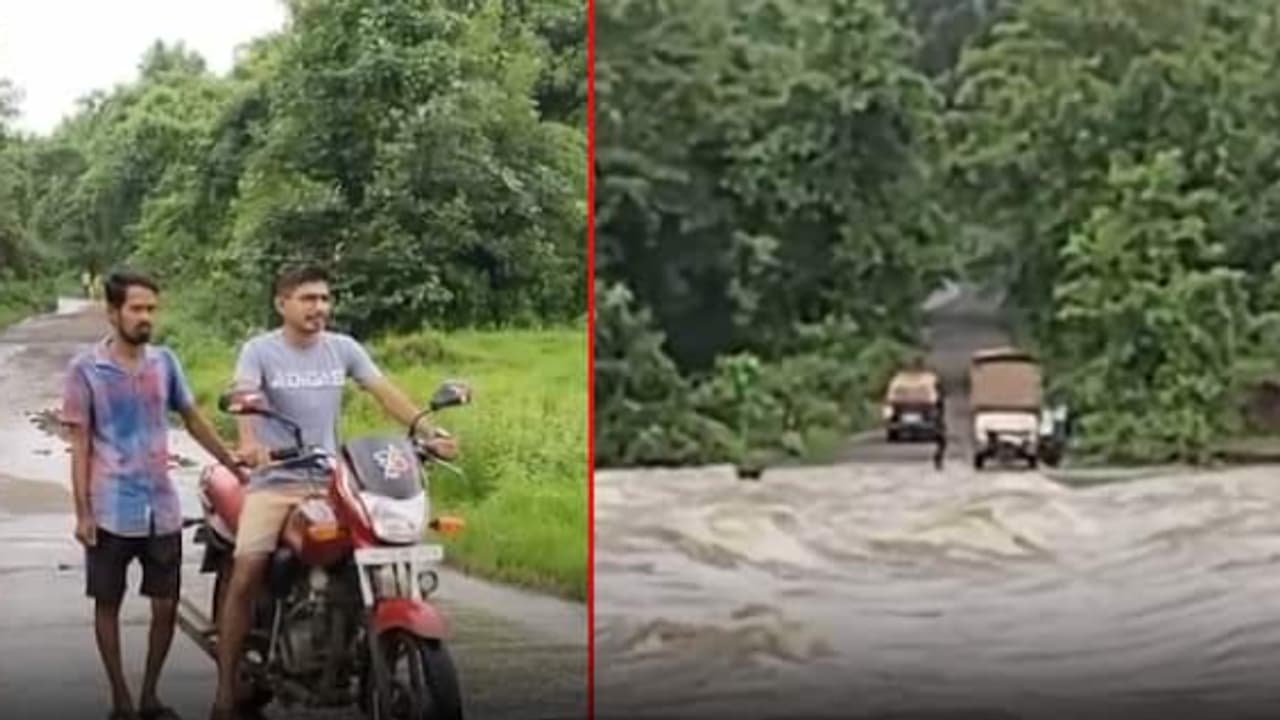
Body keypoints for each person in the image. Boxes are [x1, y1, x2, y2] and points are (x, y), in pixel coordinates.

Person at [210, 265, 459, 720]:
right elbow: (243, 396)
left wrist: (426, 429)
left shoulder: (343, 348)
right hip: (276, 482)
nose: (319, 308)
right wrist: (250, 445)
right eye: (308, 298)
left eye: (325, 298)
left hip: (330, 478)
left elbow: (384, 392)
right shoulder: (259, 351)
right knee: (248, 568)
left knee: (373, 545)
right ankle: (226, 691)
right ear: (282, 303)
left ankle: (360, 640)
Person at [60, 269, 247, 720]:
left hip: (162, 507)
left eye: (151, 309)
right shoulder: (85, 370)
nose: (146, 317)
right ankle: (121, 699)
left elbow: (193, 418)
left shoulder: (165, 362)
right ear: (113, 312)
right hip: (110, 508)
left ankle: (150, 695)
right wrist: (82, 513)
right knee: (109, 602)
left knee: (165, 604)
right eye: (137, 309)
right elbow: (81, 444)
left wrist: (231, 461)